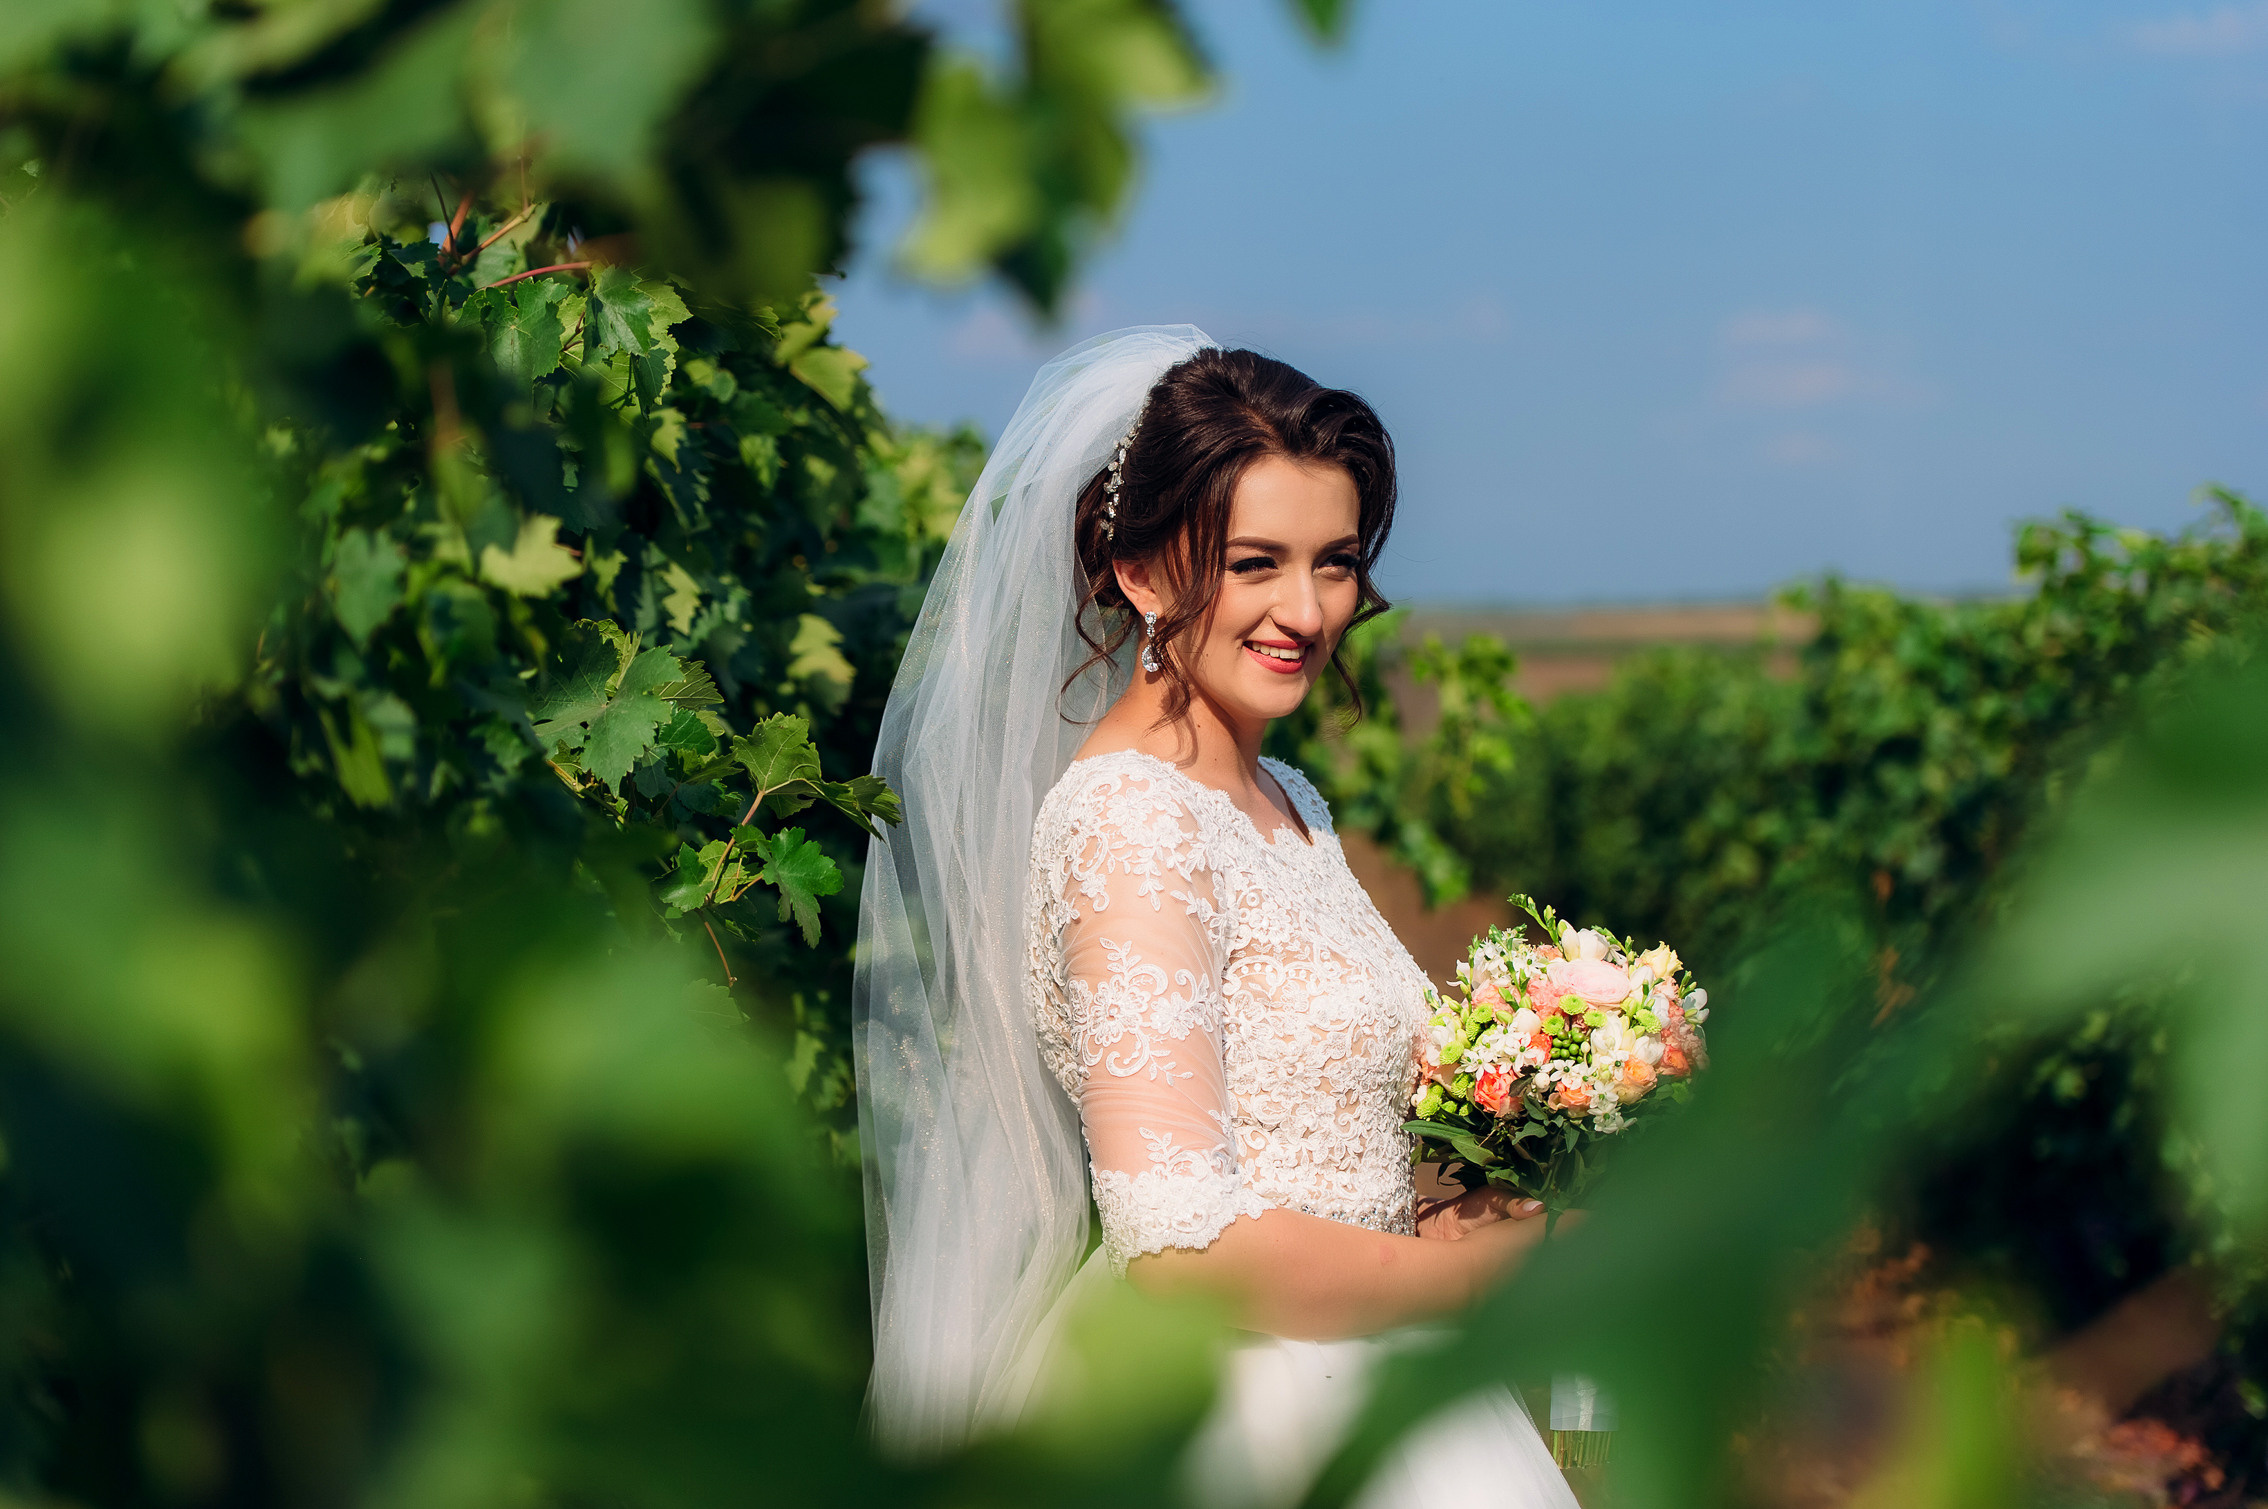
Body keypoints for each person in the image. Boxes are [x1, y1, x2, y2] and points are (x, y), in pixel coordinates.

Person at [854, 327, 1577, 1507]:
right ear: (1141, 572)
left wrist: (1432, 1226)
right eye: (1254, 563)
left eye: (1334, 563)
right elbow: (1183, 1252)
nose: (1306, 609)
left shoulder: (1282, 797)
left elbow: (1292, 1146)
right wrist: (1493, 1279)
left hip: (1352, 1353)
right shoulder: (1132, 822)